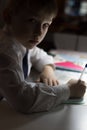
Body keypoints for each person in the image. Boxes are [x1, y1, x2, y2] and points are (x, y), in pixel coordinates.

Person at [0, 0, 86, 114]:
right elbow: (22, 100)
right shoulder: (5, 51)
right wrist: (68, 90)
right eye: (32, 20)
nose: (39, 32)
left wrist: (48, 69)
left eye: (45, 25)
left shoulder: (20, 40)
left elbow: (38, 54)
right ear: (8, 17)